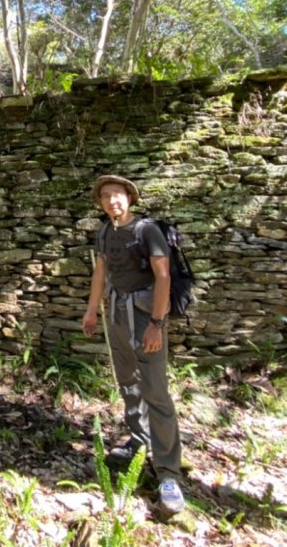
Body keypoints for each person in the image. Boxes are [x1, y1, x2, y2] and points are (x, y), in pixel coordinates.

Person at [81, 174, 186, 514]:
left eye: (119, 195)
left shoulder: (147, 231)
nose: (113, 201)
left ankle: (169, 473)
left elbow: (163, 276)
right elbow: (100, 273)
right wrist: (91, 312)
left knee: (155, 389)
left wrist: (157, 324)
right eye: (107, 196)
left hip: (144, 316)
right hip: (115, 313)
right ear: (101, 203)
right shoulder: (105, 232)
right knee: (127, 381)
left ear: (130, 197)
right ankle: (139, 443)